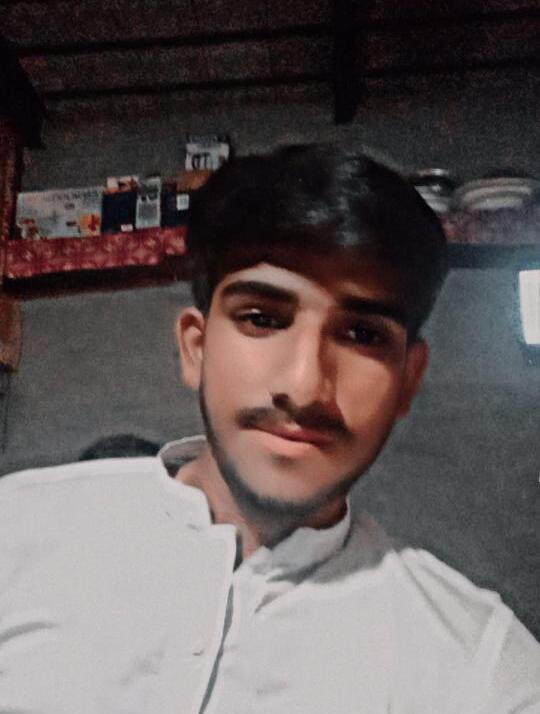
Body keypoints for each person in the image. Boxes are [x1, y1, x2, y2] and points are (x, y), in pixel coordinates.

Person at [0, 145, 538, 713]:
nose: (305, 387)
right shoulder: (17, 532)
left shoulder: (479, 663)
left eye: (361, 335)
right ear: (196, 348)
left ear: (408, 380)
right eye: (262, 318)